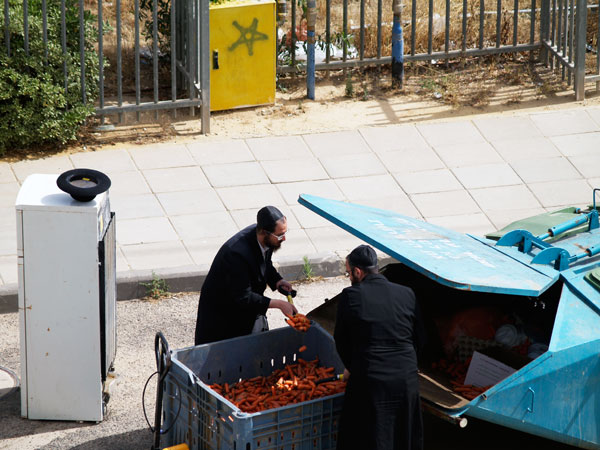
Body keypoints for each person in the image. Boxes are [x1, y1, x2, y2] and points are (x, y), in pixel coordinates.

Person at [334, 244, 425, 450]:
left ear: (358, 272)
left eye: (348, 273)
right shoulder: (407, 293)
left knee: (369, 436)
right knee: (403, 434)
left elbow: (342, 340)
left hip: (370, 380)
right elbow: (419, 336)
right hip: (405, 378)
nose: (349, 277)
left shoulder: (350, 296)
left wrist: (353, 366)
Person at [194, 206, 298, 345]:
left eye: (285, 233)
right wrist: (278, 304)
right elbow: (243, 296)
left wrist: (277, 281)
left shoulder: (265, 239)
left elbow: (264, 263)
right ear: (263, 232)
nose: (283, 238)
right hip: (223, 317)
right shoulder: (236, 254)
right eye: (279, 235)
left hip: (243, 313)